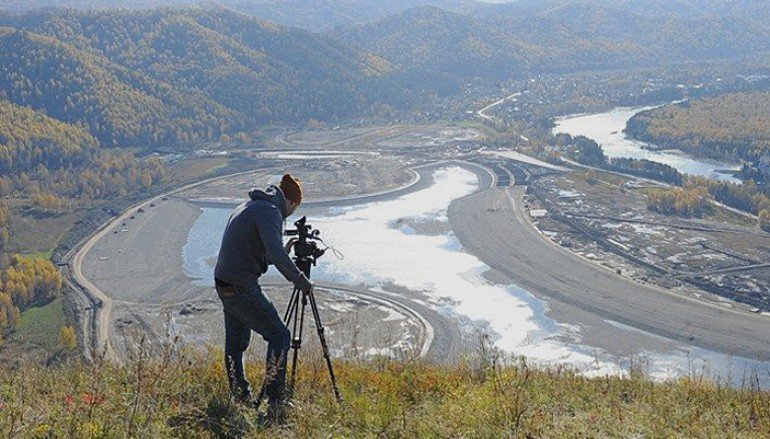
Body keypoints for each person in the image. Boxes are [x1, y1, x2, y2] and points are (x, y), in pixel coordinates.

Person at [213, 173, 312, 420]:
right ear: (290, 202)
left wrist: (280, 251)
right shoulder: (270, 211)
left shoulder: (250, 206)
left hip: (225, 282)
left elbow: (260, 251)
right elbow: (277, 256)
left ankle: (241, 397)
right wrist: (301, 281)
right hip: (241, 286)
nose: (292, 212)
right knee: (280, 335)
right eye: (295, 207)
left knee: (235, 346)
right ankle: (276, 401)